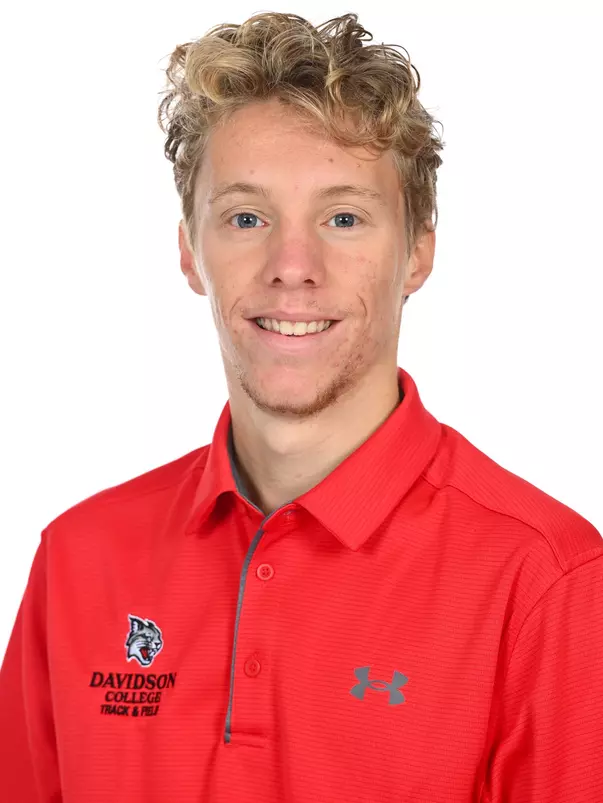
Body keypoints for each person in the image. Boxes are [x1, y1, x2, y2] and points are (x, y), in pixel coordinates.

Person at [0, 10, 601, 802]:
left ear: (418, 251)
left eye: (342, 218)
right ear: (189, 250)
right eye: (246, 217)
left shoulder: (546, 581)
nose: (292, 265)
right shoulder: (78, 559)